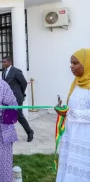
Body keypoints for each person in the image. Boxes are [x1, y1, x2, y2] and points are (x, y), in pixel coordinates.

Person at [56, 48, 90, 182]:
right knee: (69, 166)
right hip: (71, 133)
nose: (71, 66)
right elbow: (73, 107)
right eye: (71, 63)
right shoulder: (76, 83)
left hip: (85, 137)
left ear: (86, 64)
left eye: (75, 63)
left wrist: (71, 113)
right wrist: (63, 109)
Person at [2, 56, 34, 142]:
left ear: (10, 62)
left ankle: (30, 132)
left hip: (17, 97)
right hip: (8, 98)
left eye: (5, 62)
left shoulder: (16, 71)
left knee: (19, 115)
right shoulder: (4, 72)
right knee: (8, 116)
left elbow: (24, 83)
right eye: (3, 62)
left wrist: (21, 93)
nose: (3, 64)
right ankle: (9, 136)